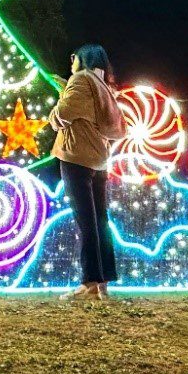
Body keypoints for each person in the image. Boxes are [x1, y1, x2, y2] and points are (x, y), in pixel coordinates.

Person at [49, 44, 126, 301]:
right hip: (99, 160)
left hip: (76, 157)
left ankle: (90, 282)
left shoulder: (81, 79)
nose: (71, 61)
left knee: (86, 222)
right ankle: (103, 281)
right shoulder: (104, 85)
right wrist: (67, 90)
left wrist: (62, 98)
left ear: (83, 59)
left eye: (74, 57)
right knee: (100, 221)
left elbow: (62, 115)